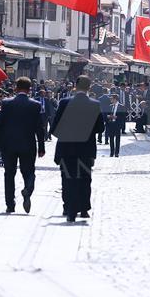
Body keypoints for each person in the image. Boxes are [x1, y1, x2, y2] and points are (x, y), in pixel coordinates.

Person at [50, 75, 104, 222]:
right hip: (86, 149)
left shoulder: (64, 102)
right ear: (89, 87)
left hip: (67, 148)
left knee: (68, 178)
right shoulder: (94, 104)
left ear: (75, 86)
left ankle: (68, 207)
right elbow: (100, 128)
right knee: (85, 178)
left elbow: (54, 127)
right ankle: (84, 208)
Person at [0, 77, 46, 213]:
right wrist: (42, 147)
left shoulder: (7, 103)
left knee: (9, 173)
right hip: (28, 144)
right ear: (29, 89)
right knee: (29, 171)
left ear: (16, 87)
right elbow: (40, 128)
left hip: (8, 144)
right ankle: (28, 189)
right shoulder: (35, 105)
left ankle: (10, 204)